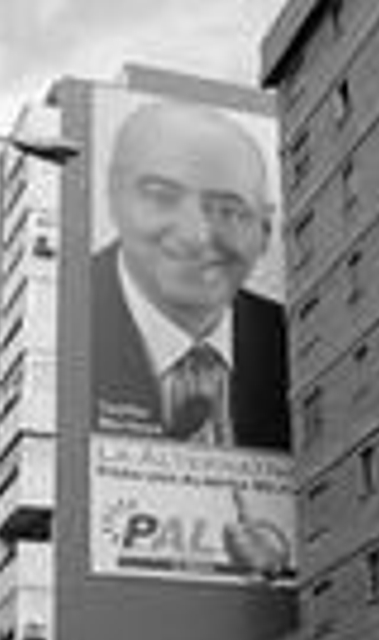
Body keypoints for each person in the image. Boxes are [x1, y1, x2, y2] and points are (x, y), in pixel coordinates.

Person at [92, 100, 290, 451]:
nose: (197, 235)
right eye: (161, 197)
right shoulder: (71, 318)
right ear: (114, 196)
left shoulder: (291, 341)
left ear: (266, 228)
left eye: (228, 210)